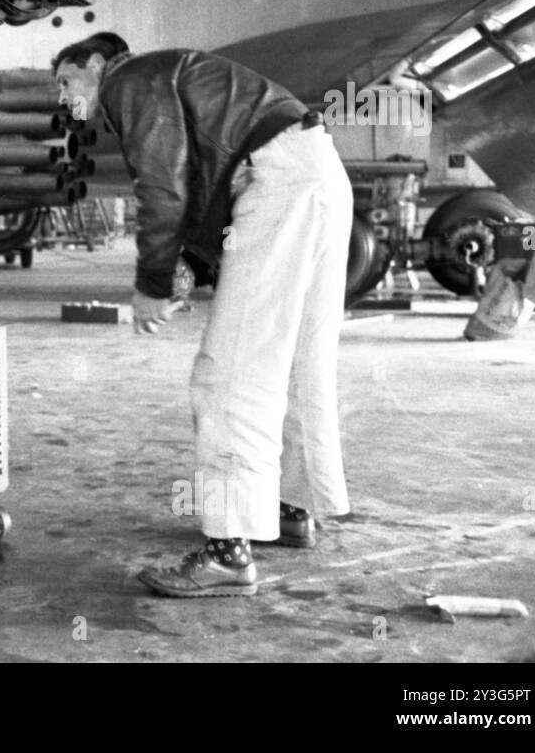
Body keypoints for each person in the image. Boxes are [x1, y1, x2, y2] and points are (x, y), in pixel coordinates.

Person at [53, 31, 353, 598]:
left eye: (66, 82)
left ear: (96, 63)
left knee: (229, 372)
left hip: (279, 185)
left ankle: (227, 553)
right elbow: (204, 176)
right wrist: (191, 262)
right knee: (297, 359)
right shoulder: (171, 75)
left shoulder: (129, 81)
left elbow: (162, 187)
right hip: (318, 175)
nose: (64, 98)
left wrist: (152, 282)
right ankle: (290, 509)